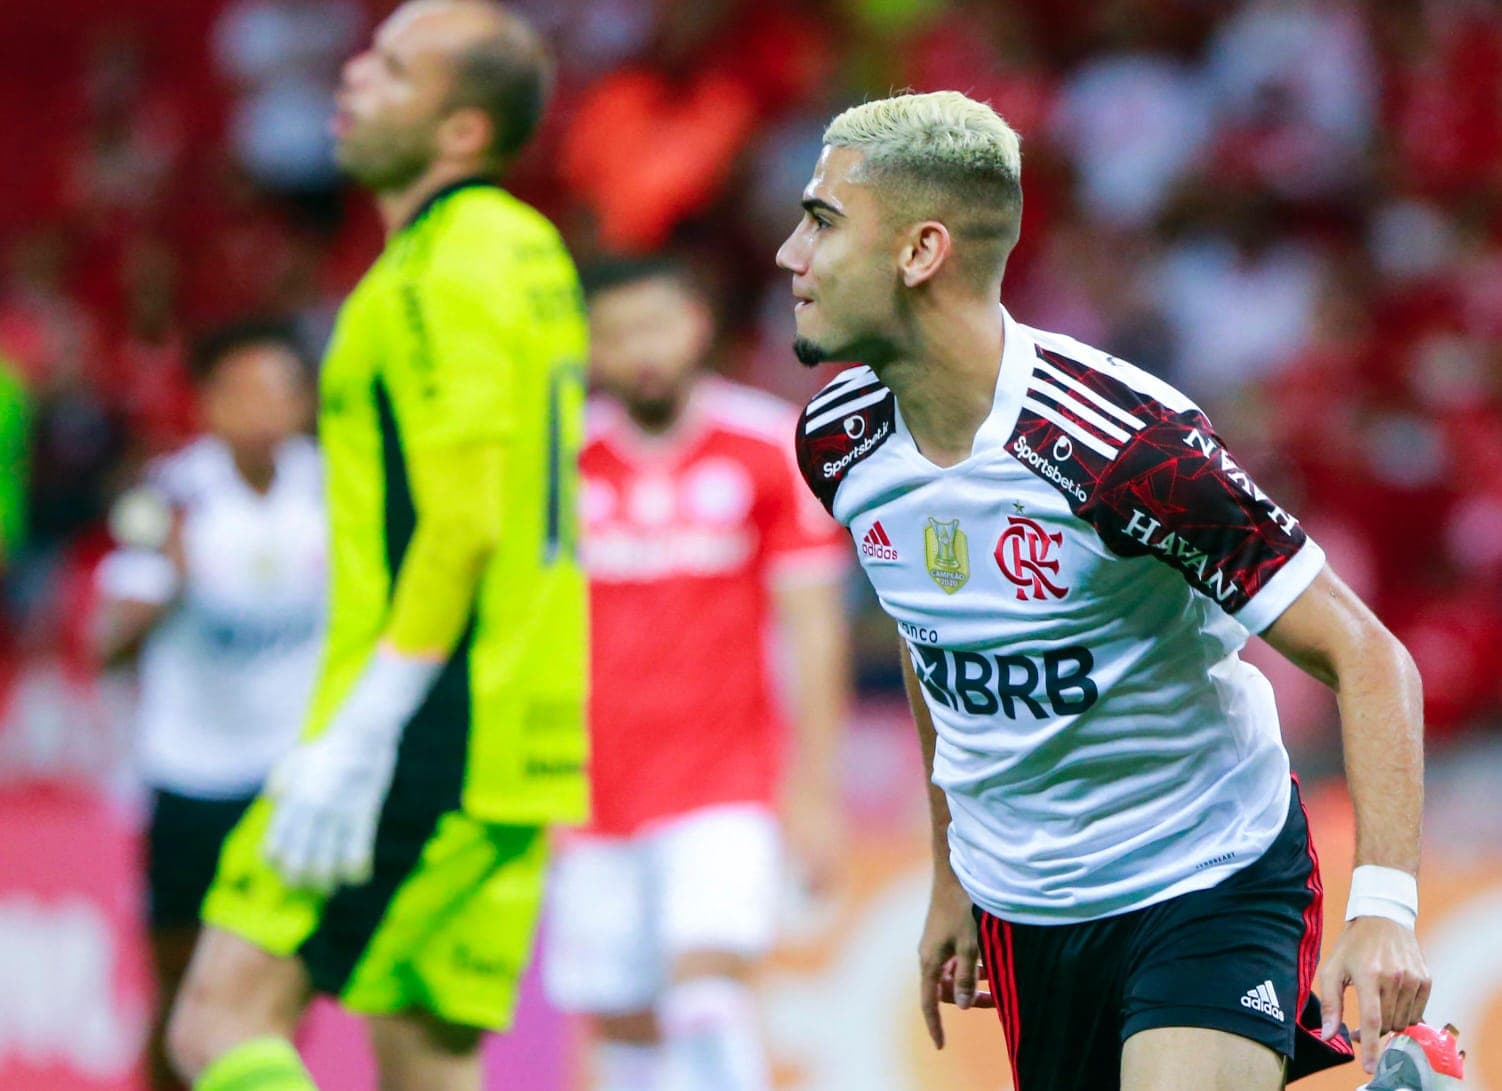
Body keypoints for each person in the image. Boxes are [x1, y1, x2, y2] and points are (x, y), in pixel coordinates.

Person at [777, 90, 1439, 1091]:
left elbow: (1365, 653)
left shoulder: (1122, 448)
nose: (790, 253)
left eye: (821, 221)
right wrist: (948, 869)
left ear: (918, 252)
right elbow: (931, 641)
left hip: (1204, 874)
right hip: (1022, 905)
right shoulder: (839, 441)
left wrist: (1382, 902)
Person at [165, 4, 590, 1090]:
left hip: (428, 719)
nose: (352, 77)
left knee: (218, 1020)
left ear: (458, 131)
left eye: (393, 69)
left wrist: (359, 733)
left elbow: (462, 521)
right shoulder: (526, 251)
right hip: (520, 730)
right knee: (426, 1065)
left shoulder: (437, 270)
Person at [541, 258, 851, 1091]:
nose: (640, 350)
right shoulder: (557, 466)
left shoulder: (766, 445)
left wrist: (814, 790)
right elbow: (528, 636)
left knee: (708, 997)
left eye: (656, 325)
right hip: (590, 788)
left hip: (727, 780)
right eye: (617, 333)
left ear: (697, 326)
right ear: (592, 350)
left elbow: (812, 625)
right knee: (625, 1026)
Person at [94, 321, 324, 1091]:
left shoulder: (337, 489)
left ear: (304, 405)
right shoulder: (167, 496)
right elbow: (106, 646)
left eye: (280, 392)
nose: (262, 411)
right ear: (209, 405)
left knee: (279, 991)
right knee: (181, 990)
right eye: (242, 392)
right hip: (190, 775)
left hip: (293, 783)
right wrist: (167, 586)